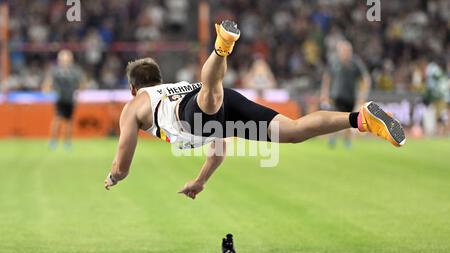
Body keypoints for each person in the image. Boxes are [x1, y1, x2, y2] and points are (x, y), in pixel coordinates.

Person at [104, 21, 405, 199]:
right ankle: (360, 118)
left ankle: (221, 47)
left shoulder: (134, 105)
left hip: (197, 112)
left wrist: (114, 178)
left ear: (133, 88)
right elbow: (218, 143)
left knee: (209, 96)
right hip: (220, 110)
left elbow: (122, 166)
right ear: (158, 80)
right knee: (295, 131)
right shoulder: (174, 87)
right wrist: (201, 180)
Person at [320, 40, 372, 148]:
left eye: (348, 50)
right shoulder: (334, 61)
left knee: (349, 120)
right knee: (334, 118)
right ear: (339, 51)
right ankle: (332, 138)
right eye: (344, 50)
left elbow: (366, 79)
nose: (346, 52)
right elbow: (327, 77)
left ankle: (347, 141)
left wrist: (363, 95)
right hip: (336, 95)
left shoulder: (355, 63)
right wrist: (324, 92)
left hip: (350, 96)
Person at [42, 49, 83, 149]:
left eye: (67, 59)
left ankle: (67, 141)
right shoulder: (56, 71)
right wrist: (47, 89)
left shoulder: (75, 72)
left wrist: (78, 93)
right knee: (57, 119)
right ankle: (53, 140)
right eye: (64, 59)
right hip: (60, 98)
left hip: (70, 98)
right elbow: (48, 83)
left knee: (69, 121)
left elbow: (81, 84)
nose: (66, 61)